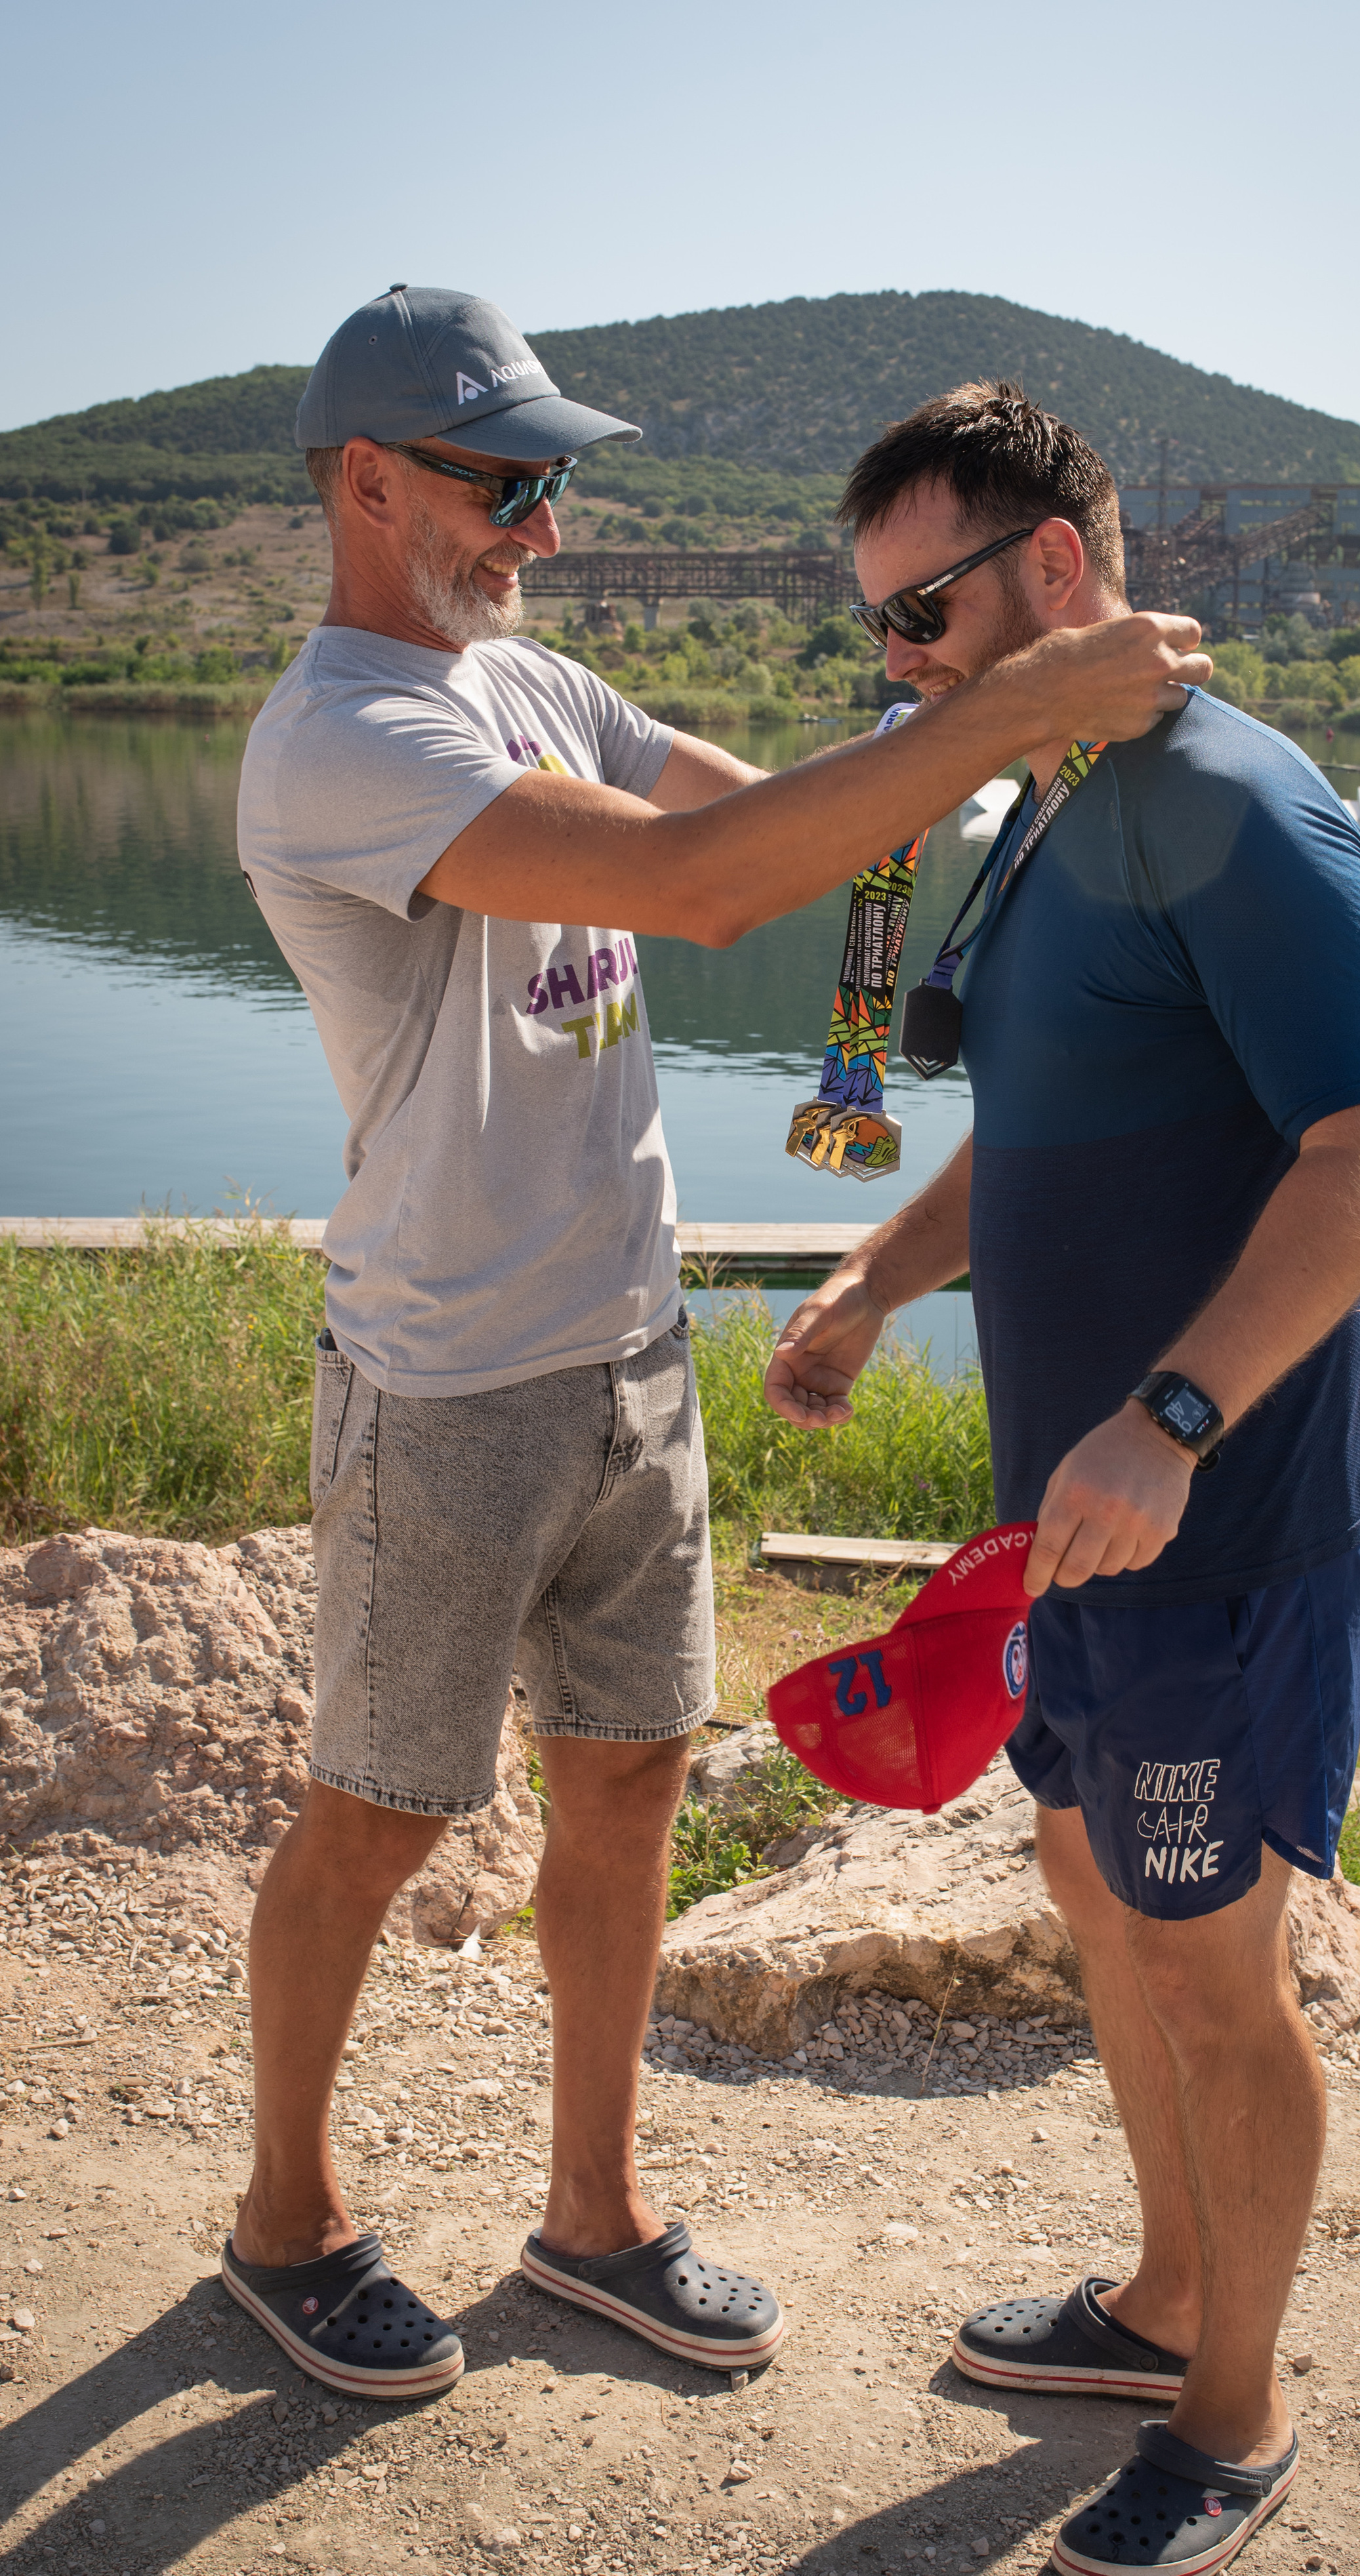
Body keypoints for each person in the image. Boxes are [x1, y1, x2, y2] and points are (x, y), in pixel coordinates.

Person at [226, 291, 1209, 2401]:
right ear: (369, 482)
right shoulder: (341, 739)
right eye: (507, 484)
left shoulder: (523, 678)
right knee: (376, 1815)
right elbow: (694, 884)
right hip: (444, 1376)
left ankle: (594, 2221)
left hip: (627, 1350)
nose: (547, 527)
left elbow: (783, 829)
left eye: (553, 483)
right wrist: (1013, 695)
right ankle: (282, 2222)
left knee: (628, 1783)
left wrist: (998, 745)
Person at [765, 382, 1360, 2574]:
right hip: (1077, 1536)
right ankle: (1161, 2309)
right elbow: (1047, 1120)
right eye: (874, 626)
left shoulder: (1236, 803)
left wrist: (1173, 1417)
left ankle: (1236, 2416)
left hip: (1219, 1529)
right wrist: (876, 1277)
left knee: (1216, 1970)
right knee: (1095, 1891)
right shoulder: (1051, 804)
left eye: (924, 613)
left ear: (1056, 567)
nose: (899, 665)